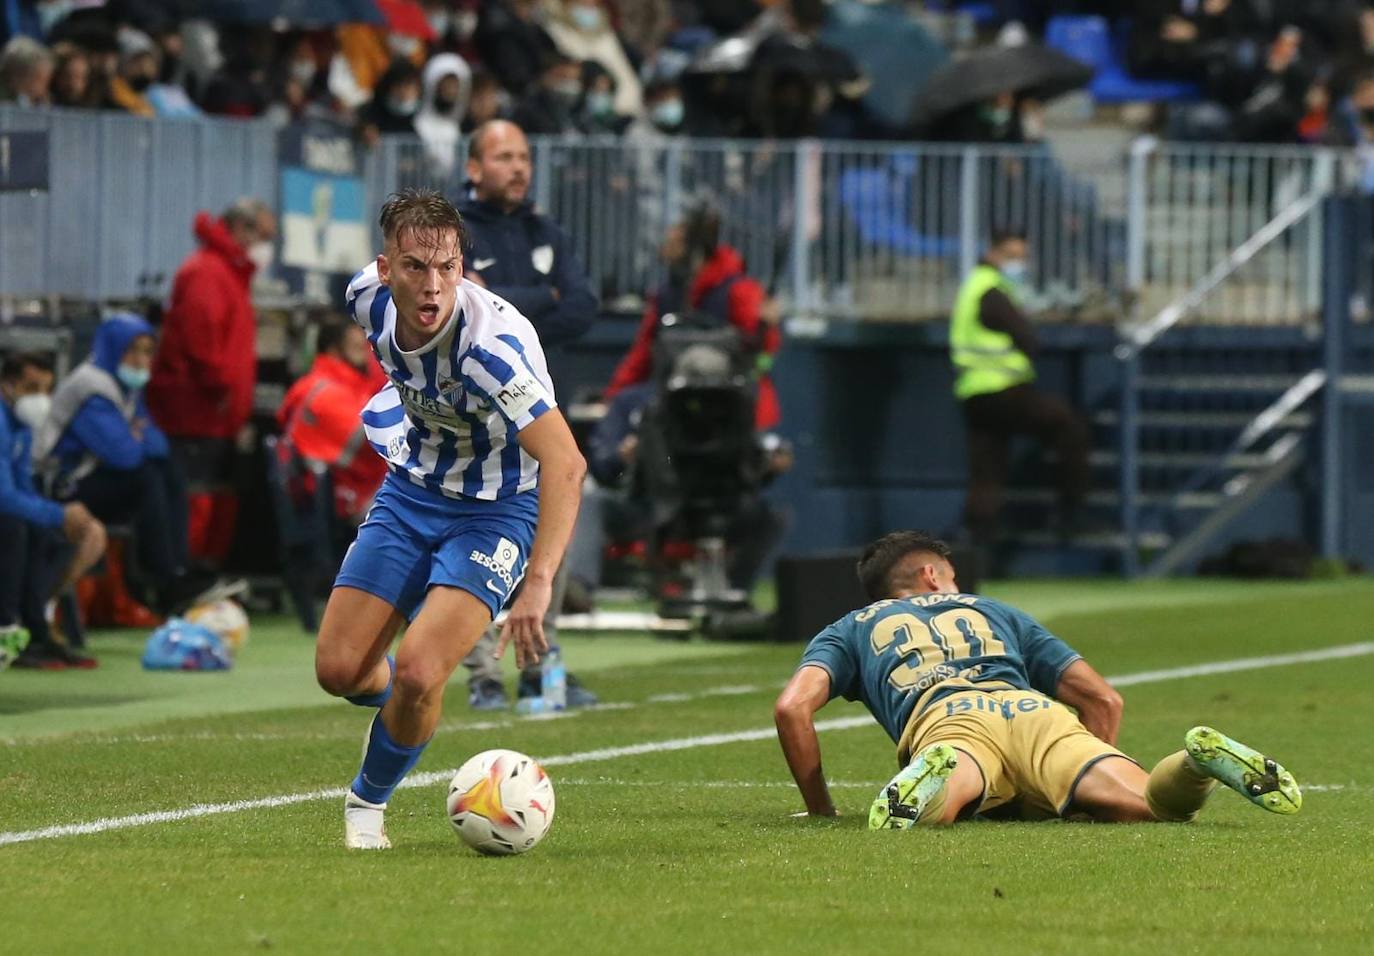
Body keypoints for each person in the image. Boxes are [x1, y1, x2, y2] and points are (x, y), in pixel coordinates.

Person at [314, 188, 586, 850]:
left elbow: (566, 463)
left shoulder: (490, 351)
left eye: (447, 267)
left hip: (496, 511)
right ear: (386, 270)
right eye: (415, 267)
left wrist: (539, 583)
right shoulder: (365, 300)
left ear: (462, 266)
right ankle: (406, 710)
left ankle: (366, 804)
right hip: (413, 488)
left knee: (418, 670)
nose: (433, 285)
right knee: (339, 671)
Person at [774, 530, 1303, 827]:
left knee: (946, 798)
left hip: (949, 720)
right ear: (932, 575)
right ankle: (1194, 764)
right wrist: (1083, 781)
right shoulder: (992, 609)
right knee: (1151, 805)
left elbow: (791, 708)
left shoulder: (850, 627)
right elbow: (1102, 699)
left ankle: (927, 783)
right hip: (1035, 715)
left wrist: (821, 809)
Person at [456, 119, 600, 711]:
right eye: (504, 157)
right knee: (475, 532)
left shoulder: (548, 231)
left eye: (524, 157)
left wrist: (503, 298)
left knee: (552, 528)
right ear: (474, 167)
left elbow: (583, 307)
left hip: (541, 408)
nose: (518, 168)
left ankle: (542, 663)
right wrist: (544, 299)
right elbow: (464, 303)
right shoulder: (454, 231)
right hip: (475, 410)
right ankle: (482, 673)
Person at [34, 314, 219, 617]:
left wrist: (133, 435)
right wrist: (134, 435)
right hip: (61, 485)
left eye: (147, 351)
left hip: (95, 478)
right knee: (145, 478)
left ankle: (178, 568)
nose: (140, 360)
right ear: (112, 348)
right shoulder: (92, 387)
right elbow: (125, 456)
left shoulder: (126, 386)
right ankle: (163, 579)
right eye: (132, 350)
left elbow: (158, 446)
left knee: (168, 471)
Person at [148, 199, 276, 568]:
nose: (266, 247)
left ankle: (197, 571)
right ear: (240, 229)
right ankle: (184, 574)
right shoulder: (208, 273)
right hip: (196, 411)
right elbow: (201, 343)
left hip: (213, 412)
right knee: (194, 496)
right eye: (264, 236)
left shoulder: (226, 273)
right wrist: (223, 390)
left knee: (212, 493)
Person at [949, 230, 1090, 545]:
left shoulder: (974, 286)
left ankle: (977, 541)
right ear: (993, 253)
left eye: (1023, 256)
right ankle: (1072, 512)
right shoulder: (992, 291)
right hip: (1003, 390)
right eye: (1012, 256)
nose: (1019, 263)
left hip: (973, 393)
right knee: (1069, 425)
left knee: (987, 470)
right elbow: (1026, 337)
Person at [605, 206, 782, 430]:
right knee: (624, 406)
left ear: (694, 249)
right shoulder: (666, 296)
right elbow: (643, 353)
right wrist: (612, 396)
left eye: (676, 239)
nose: (665, 246)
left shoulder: (739, 290)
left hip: (732, 400)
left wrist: (767, 327)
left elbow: (760, 354)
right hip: (674, 398)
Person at [0, 353, 106, 670]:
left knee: (52, 534)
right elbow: (3, 496)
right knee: (15, 529)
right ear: (7, 386)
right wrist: (59, 513)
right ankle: (5, 633)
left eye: (47, 389)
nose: (41, 398)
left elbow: (23, 486)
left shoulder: (21, 427)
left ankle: (35, 630)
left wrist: (58, 516)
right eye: (31, 388)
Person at [276, 321, 389, 527]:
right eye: (358, 348)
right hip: (342, 497)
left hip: (350, 489)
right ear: (334, 350)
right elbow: (376, 441)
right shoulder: (325, 393)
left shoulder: (345, 385)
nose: (367, 355)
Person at [415, 53, 472, 179]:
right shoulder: (417, 124)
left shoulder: (464, 125)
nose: (450, 91)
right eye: (446, 85)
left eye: (454, 86)